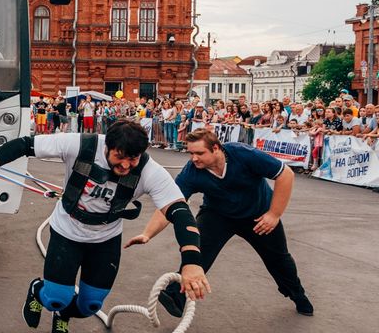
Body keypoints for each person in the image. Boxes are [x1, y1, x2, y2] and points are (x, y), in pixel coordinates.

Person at [0, 121, 209, 333]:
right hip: (67, 230)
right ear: (107, 146)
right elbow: (24, 144)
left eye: (132, 159)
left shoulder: (149, 170)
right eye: (119, 157)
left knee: (90, 305)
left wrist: (192, 263)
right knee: (56, 297)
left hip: (105, 238)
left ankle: (63, 316)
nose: (125, 165)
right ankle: (38, 290)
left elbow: (180, 212)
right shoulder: (80, 145)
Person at [131, 129, 314, 317]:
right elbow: (170, 205)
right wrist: (147, 234)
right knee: (198, 250)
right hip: (218, 215)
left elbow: (286, 175)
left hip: (258, 215)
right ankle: (176, 296)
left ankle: (297, 294)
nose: (194, 158)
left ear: (216, 148)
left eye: (199, 153)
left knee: (278, 259)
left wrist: (274, 214)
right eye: (191, 153)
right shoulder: (191, 172)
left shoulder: (243, 154)